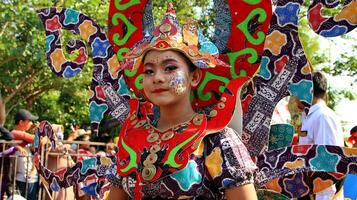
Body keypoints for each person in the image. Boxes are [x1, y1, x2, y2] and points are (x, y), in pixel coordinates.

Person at [108, 4, 257, 200]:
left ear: (194, 77)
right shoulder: (132, 135)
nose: (157, 78)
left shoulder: (215, 139)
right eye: (149, 71)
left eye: (169, 68)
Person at [299, 71, 344, 199]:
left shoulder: (323, 117)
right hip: (309, 191)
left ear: (309, 90)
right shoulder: (310, 116)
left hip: (322, 195)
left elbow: (327, 165)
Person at [11, 109, 40, 200]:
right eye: (29, 121)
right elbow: (41, 141)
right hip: (24, 178)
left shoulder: (21, 135)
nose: (32, 123)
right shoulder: (15, 133)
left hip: (29, 177)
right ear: (21, 122)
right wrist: (40, 132)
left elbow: (36, 144)